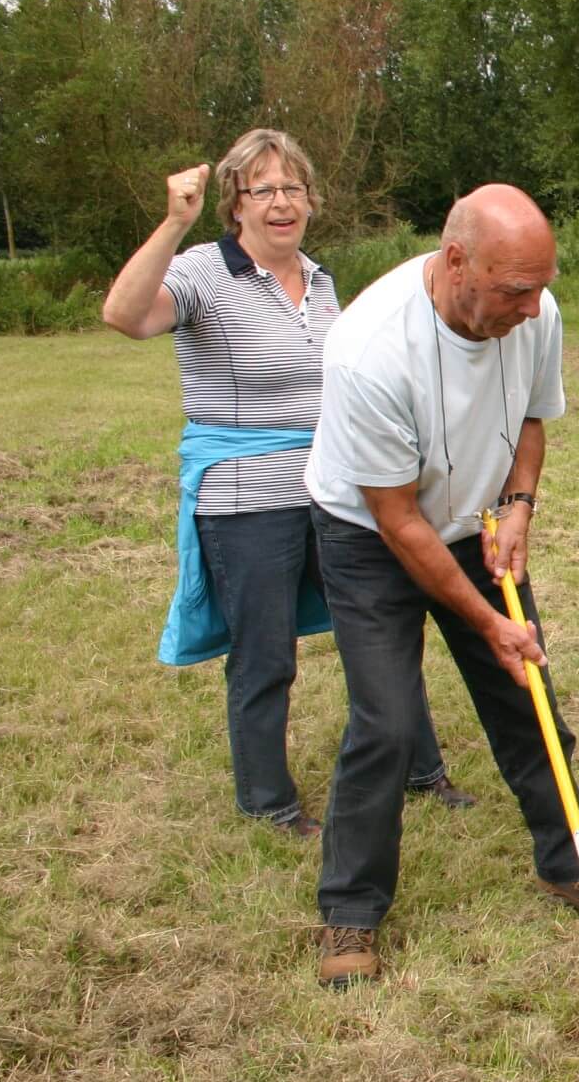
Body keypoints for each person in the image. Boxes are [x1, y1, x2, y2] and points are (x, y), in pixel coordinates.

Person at [303, 184, 579, 989]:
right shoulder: (368, 350)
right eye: (513, 291)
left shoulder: (538, 311)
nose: (532, 309)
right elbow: (398, 522)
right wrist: (486, 621)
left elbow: (531, 414)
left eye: (541, 287)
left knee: (527, 693)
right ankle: (350, 910)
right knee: (387, 721)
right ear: (456, 261)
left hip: (476, 523)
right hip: (370, 535)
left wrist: (520, 502)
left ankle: (572, 864)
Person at [100, 129, 469, 842]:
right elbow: (124, 316)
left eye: (292, 188)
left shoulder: (321, 278)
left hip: (336, 490)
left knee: (384, 629)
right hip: (247, 498)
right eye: (262, 189)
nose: (281, 202)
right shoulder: (203, 271)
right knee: (265, 653)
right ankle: (268, 800)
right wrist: (174, 221)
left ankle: (421, 771)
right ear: (234, 204)